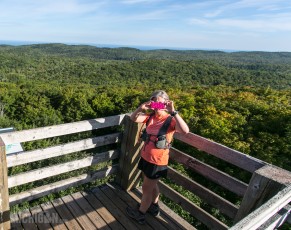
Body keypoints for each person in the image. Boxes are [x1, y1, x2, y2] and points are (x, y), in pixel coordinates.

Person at [126, 90, 189, 224]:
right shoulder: (150, 117)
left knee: (146, 189)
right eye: (154, 102)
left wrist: (174, 111)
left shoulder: (170, 120)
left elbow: (185, 131)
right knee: (152, 186)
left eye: (159, 103)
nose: (156, 105)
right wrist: (140, 108)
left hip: (157, 161)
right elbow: (133, 118)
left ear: (166, 103)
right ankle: (154, 207)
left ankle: (141, 213)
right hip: (145, 157)